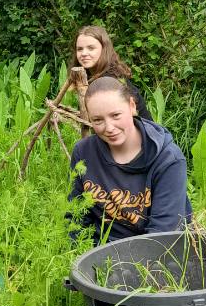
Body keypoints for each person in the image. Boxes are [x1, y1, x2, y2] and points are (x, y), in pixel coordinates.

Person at [67, 76, 191, 243]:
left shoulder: (168, 159)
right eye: (98, 120)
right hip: (99, 250)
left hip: (154, 252)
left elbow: (163, 234)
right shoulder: (83, 152)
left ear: (132, 106)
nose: (109, 128)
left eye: (116, 115)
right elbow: (76, 216)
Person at [71, 24, 151, 120]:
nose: (84, 53)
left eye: (91, 48)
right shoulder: (87, 76)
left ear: (104, 49)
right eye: (80, 49)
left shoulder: (110, 81)